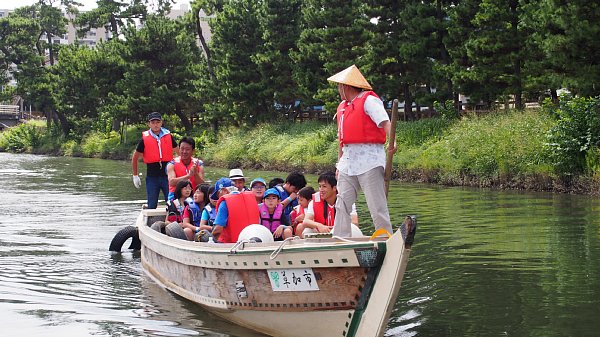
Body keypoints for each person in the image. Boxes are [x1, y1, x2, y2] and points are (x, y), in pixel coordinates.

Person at [327, 64, 395, 237]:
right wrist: (339, 162)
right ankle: (340, 238)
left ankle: (384, 238)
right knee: (342, 204)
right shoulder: (343, 106)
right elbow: (341, 139)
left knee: (376, 205)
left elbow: (386, 122)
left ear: (346, 86)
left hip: (369, 160)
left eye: (339, 86)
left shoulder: (369, 100)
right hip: (348, 162)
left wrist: (393, 142)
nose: (338, 89)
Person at [131, 112, 179, 209]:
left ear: (161, 123)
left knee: (171, 201)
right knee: (152, 203)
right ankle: (151, 219)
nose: (156, 125)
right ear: (149, 124)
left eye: (158, 122)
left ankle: (173, 219)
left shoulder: (168, 136)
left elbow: (179, 154)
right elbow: (135, 158)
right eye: (153, 122)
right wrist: (135, 175)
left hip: (167, 175)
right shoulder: (145, 139)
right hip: (152, 175)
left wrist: (181, 170)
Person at [298, 172, 360, 238]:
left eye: (324, 186)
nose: (321, 190)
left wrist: (335, 229)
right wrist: (319, 226)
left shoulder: (346, 201)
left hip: (341, 235)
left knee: (353, 228)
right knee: (307, 231)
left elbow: (355, 223)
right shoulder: (314, 202)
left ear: (334, 188)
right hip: (322, 234)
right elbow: (306, 221)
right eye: (320, 186)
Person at [211, 178, 260, 243]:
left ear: (224, 191)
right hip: (253, 242)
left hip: (233, 245)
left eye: (218, 194)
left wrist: (211, 239)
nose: (218, 198)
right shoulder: (251, 199)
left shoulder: (225, 203)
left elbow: (218, 230)